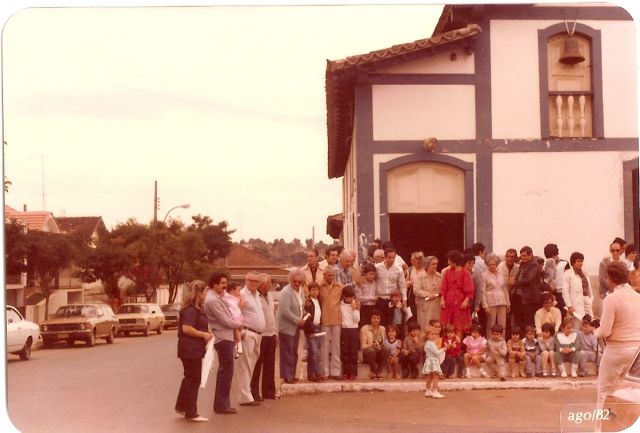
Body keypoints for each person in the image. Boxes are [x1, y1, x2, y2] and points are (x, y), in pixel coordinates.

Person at [595, 261, 640, 405]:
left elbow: (605, 331)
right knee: (630, 393)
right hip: (636, 351)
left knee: (604, 390)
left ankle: (600, 421)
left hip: (616, 350)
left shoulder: (611, 299)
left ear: (612, 278)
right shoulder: (637, 297)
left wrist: (595, 331)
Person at [204, 272, 243, 415]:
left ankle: (222, 403)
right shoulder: (212, 300)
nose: (225, 286)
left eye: (226, 283)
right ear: (214, 284)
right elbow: (224, 320)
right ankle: (222, 404)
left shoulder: (217, 297)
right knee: (226, 372)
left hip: (226, 336)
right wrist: (240, 324)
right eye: (222, 283)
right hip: (223, 337)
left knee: (226, 371)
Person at [175, 280, 213, 422]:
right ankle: (191, 412)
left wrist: (206, 333)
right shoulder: (190, 309)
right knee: (194, 379)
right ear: (199, 293)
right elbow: (187, 328)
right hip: (190, 348)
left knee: (189, 377)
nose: (207, 295)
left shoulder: (197, 309)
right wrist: (203, 335)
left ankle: (182, 406)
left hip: (194, 348)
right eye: (205, 292)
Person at [235, 273, 266, 407]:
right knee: (245, 365)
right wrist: (240, 331)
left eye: (256, 281)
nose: (253, 283)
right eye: (251, 280)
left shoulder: (257, 295)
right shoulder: (241, 295)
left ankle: (247, 393)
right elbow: (235, 313)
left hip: (258, 334)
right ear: (246, 281)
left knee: (251, 365)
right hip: (247, 333)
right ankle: (245, 397)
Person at [251, 273, 278, 401]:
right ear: (262, 284)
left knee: (270, 364)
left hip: (271, 334)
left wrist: (275, 332)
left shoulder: (270, 296)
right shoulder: (256, 296)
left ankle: (269, 392)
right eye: (269, 283)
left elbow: (273, 314)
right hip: (261, 335)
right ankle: (254, 392)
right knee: (257, 365)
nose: (271, 285)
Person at [277, 268, 307, 384]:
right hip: (286, 327)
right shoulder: (286, 292)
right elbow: (284, 311)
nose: (297, 283)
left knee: (294, 351)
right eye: (294, 281)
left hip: (296, 327)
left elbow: (300, 306)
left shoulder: (301, 291)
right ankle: (287, 375)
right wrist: (297, 320)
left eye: (299, 282)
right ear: (290, 280)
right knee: (287, 352)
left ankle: (292, 374)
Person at [440, 250, 474, 337]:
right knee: (448, 324)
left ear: (454, 261)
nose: (448, 262)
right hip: (449, 300)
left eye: (449, 260)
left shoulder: (465, 272)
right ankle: (448, 342)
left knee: (459, 324)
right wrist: (442, 299)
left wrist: (466, 301)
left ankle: (458, 343)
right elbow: (443, 287)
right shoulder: (447, 272)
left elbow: (470, 289)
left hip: (460, 301)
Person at [319, 266, 344, 380]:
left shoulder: (339, 286)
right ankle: (324, 372)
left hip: (336, 319)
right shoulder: (319, 287)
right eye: (329, 275)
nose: (331, 277)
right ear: (324, 275)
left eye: (333, 275)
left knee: (336, 346)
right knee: (324, 347)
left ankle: (336, 372)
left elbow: (345, 299)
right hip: (324, 319)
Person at [375, 248, 407, 326]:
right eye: (389, 257)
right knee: (380, 323)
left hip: (393, 300)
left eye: (393, 257)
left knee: (393, 324)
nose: (392, 259)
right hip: (380, 299)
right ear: (385, 257)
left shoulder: (398, 269)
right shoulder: (377, 267)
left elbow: (402, 285)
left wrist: (404, 299)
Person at [480, 253, 510, 338]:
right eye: (489, 265)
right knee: (491, 324)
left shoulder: (501, 273)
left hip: (502, 301)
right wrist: (485, 306)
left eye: (493, 264)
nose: (492, 266)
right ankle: (490, 343)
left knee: (502, 325)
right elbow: (482, 291)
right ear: (487, 265)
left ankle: (501, 343)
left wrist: (508, 302)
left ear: (496, 264)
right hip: (491, 302)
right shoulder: (484, 275)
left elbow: (504, 288)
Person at [514, 246, 543, 330]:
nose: (522, 258)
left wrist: (516, 282)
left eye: (525, 255)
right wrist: (517, 280)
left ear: (531, 255)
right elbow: (517, 277)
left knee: (529, 321)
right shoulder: (523, 264)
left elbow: (528, 279)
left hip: (530, 298)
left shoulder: (534, 265)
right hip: (521, 296)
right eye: (521, 256)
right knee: (519, 321)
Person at [562, 252, 594, 329]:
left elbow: (589, 289)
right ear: (573, 263)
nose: (580, 263)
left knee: (590, 323)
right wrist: (569, 306)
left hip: (587, 301)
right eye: (578, 261)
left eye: (582, 261)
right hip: (575, 303)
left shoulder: (585, 273)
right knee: (577, 324)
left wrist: (590, 300)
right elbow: (565, 291)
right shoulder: (568, 274)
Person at [413, 255, 442, 333]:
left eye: (436, 264)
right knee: (425, 326)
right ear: (427, 265)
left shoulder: (439, 276)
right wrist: (428, 294)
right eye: (433, 264)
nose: (435, 266)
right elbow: (416, 290)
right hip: (425, 305)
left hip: (437, 305)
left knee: (436, 325)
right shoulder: (420, 276)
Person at [303, 282, 324, 382]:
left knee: (315, 352)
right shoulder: (308, 302)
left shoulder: (319, 301)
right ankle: (317, 373)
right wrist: (310, 327)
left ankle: (311, 374)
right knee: (314, 351)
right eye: (313, 290)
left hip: (318, 327)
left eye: (317, 289)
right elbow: (306, 316)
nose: (315, 292)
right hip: (311, 329)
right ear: (309, 291)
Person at [339, 285, 360, 380]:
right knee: (345, 352)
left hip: (354, 329)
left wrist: (354, 309)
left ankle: (353, 373)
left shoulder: (355, 304)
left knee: (353, 352)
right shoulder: (340, 305)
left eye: (352, 297)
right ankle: (345, 372)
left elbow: (357, 320)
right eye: (349, 297)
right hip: (344, 329)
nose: (351, 299)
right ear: (344, 296)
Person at [498, 248, 520, 337]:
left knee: (512, 319)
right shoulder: (500, 267)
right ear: (505, 257)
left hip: (512, 295)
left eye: (512, 257)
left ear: (515, 258)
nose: (510, 259)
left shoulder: (517, 268)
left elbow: (517, 282)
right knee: (503, 319)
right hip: (501, 296)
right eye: (508, 256)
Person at [360, 310, 387, 380]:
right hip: (368, 354)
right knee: (372, 350)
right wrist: (371, 345)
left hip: (378, 352)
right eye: (374, 318)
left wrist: (379, 346)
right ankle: (373, 372)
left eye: (378, 318)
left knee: (386, 349)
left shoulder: (382, 328)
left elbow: (383, 343)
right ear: (370, 318)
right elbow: (363, 346)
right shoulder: (365, 328)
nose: (376, 320)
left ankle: (379, 372)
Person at [221, 281, 245, 358]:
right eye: (238, 290)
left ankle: (236, 348)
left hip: (237, 316)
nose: (239, 292)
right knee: (236, 331)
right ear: (232, 290)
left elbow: (241, 305)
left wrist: (241, 296)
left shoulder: (234, 299)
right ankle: (239, 346)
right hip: (233, 317)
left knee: (236, 333)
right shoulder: (226, 297)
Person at [422, 325, 446, 398]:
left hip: (430, 360)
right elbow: (437, 352)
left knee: (430, 376)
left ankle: (428, 390)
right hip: (433, 361)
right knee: (436, 376)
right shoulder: (431, 343)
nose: (433, 336)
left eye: (435, 334)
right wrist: (444, 349)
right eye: (432, 334)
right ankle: (435, 391)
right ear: (427, 335)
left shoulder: (428, 343)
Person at [355, 263, 377, 328]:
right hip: (363, 308)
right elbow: (359, 298)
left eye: (374, 274)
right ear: (365, 274)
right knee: (363, 326)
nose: (372, 276)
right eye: (370, 274)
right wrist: (372, 298)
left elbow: (377, 296)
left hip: (373, 307)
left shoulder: (375, 283)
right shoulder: (360, 283)